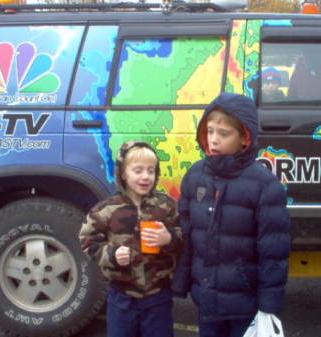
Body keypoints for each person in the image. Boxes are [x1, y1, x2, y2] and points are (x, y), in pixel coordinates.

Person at [172, 93, 291, 337]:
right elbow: (187, 236)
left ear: (244, 138)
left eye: (223, 134)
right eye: (210, 131)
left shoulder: (265, 185)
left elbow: (274, 252)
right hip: (205, 298)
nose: (213, 139)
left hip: (244, 304)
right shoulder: (195, 176)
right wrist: (179, 283)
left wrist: (269, 305)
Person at [79, 140, 181, 337]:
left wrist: (169, 238)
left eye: (151, 171)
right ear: (123, 174)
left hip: (158, 296)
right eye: (138, 170)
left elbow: (184, 233)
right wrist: (112, 254)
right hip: (121, 297)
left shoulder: (166, 206)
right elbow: (87, 240)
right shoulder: (106, 209)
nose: (145, 177)